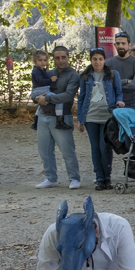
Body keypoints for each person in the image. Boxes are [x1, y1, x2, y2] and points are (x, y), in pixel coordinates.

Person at [75, 48, 124, 191]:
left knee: (105, 147)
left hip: (107, 117)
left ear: (104, 60)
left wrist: (120, 102)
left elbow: (119, 92)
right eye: (94, 59)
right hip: (91, 117)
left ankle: (107, 177)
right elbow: (82, 97)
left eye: (100, 59)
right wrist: (80, 119)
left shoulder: (113, 75)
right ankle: (99, 178)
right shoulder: (85, 76)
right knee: (95, 148)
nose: (97, 62)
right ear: (91, 60)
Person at [34, 46, 82, 189]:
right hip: (43, 116)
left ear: (68, 57)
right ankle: (51, 178)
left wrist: (47, 98)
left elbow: (68, 95)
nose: (60, 60)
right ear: (52, 59)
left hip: (62, 116)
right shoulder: (47, 73)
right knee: (45, 150)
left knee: (67, 150)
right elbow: (36, 90)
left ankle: (74, 178)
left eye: (63, 57)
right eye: (57, 58)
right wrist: (36, 98)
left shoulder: (73, 75)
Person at [105, 31, 135, 116]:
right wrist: (126, 81)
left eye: (123, 43)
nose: (120, 46)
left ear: (129, 45)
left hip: (132, 105)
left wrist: (115, 85)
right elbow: (105, 85)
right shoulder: (108, 63)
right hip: (113, 106)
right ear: (115, 45)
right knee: (113, 129)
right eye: (118, 43)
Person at [30, 50, 69, 130]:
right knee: (58, 100)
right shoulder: (37, 71)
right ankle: (59, 120)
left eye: (45, 60)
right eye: (40, 60)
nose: (43, 62)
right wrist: (51, 80)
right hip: (41, 90)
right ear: (34, 61)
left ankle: (36, 120)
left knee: (42, 104)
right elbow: (40, 81)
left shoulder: (42, 70)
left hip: (43, 89)